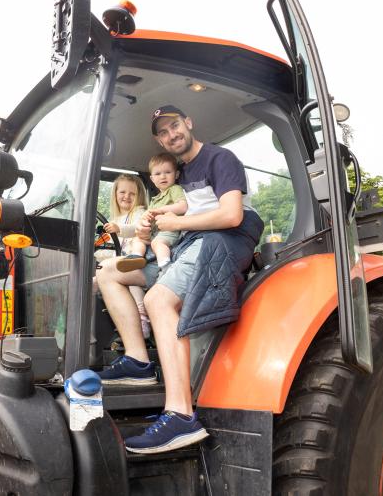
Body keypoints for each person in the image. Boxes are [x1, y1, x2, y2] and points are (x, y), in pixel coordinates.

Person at [96, 105, 263, 454]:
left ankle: (181, 415)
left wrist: (176, 224)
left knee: (157, 299)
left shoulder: (220, 158)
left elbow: (232, 215)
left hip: (220, 245)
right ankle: (139, 362)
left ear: (189, 122)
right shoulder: (181, 175)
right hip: (188, 247)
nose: (172, 135)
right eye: (163, 132)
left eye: (175, 126)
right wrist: (149, 222)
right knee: (109, 272)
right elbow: (178, 213)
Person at [94, 174, 152, 338]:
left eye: (132, 194)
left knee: (130, 279)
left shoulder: (140, 213)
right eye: (122, 192)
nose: (127, 196)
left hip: (136, 261)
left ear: (139, 196)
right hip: (117, 263)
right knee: (90, 285)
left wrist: (119, 229)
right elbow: (104, 249)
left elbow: (137, 229)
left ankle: (142, 320)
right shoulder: (113, 220)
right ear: (115, 194)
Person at [116, 152, 186, 273]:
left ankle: (166, 267)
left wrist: (161, 210)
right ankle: (136, 257)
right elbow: (147, 215)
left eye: (167, 172)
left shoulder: (175, 189)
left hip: (169, 230)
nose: (163, 177)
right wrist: (144, 220)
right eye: (158, 174)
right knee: (138, 239)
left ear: (176, 174)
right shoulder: (155, 199)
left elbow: (183, 206)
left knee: (157, 243)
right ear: (152, 179)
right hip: (154, 231)